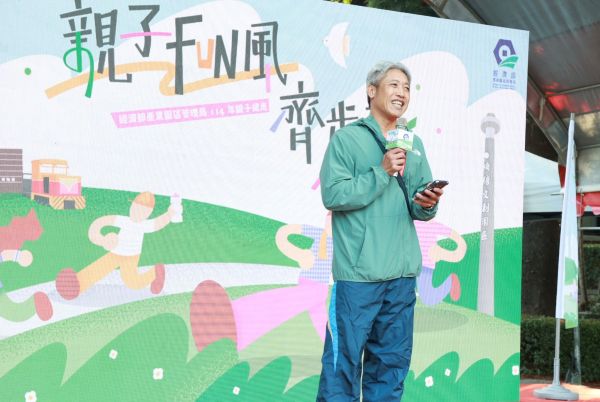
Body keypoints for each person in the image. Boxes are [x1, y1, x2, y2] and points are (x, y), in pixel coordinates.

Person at [317, 61, 444, 401]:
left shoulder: (413, 143)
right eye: (394, 85)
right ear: (372, 91)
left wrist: (428, 202)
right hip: (358, 277)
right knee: (341, 367)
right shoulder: (347, 140)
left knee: (390, 369)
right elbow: (333, 194)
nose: (402, 93)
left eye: (406, 87)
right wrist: (382, 171)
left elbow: (418, 205)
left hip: (401, 278)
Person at [189, 212, 332, 352]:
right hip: (309, 285)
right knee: (282, 305)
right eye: (330, 219)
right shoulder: (318, 234)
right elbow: (283, 233)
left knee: (277, 304)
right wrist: (298, 254)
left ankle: (236, 323)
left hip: (315, 289)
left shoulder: (340, 244)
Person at [55, 191, 173, 300]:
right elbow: (100, 222)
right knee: (97, 269)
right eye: (135, 207)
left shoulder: (144, 225)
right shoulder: (123, 220)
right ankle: (76, 285)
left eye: (143, 211)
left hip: (131, 257)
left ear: (148, 213)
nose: (137, 212)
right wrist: (102, 240)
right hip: (116, 252)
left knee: (132, 282)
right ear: (131, 206)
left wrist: (169, 214)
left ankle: (155, 272)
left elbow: (158, 223)